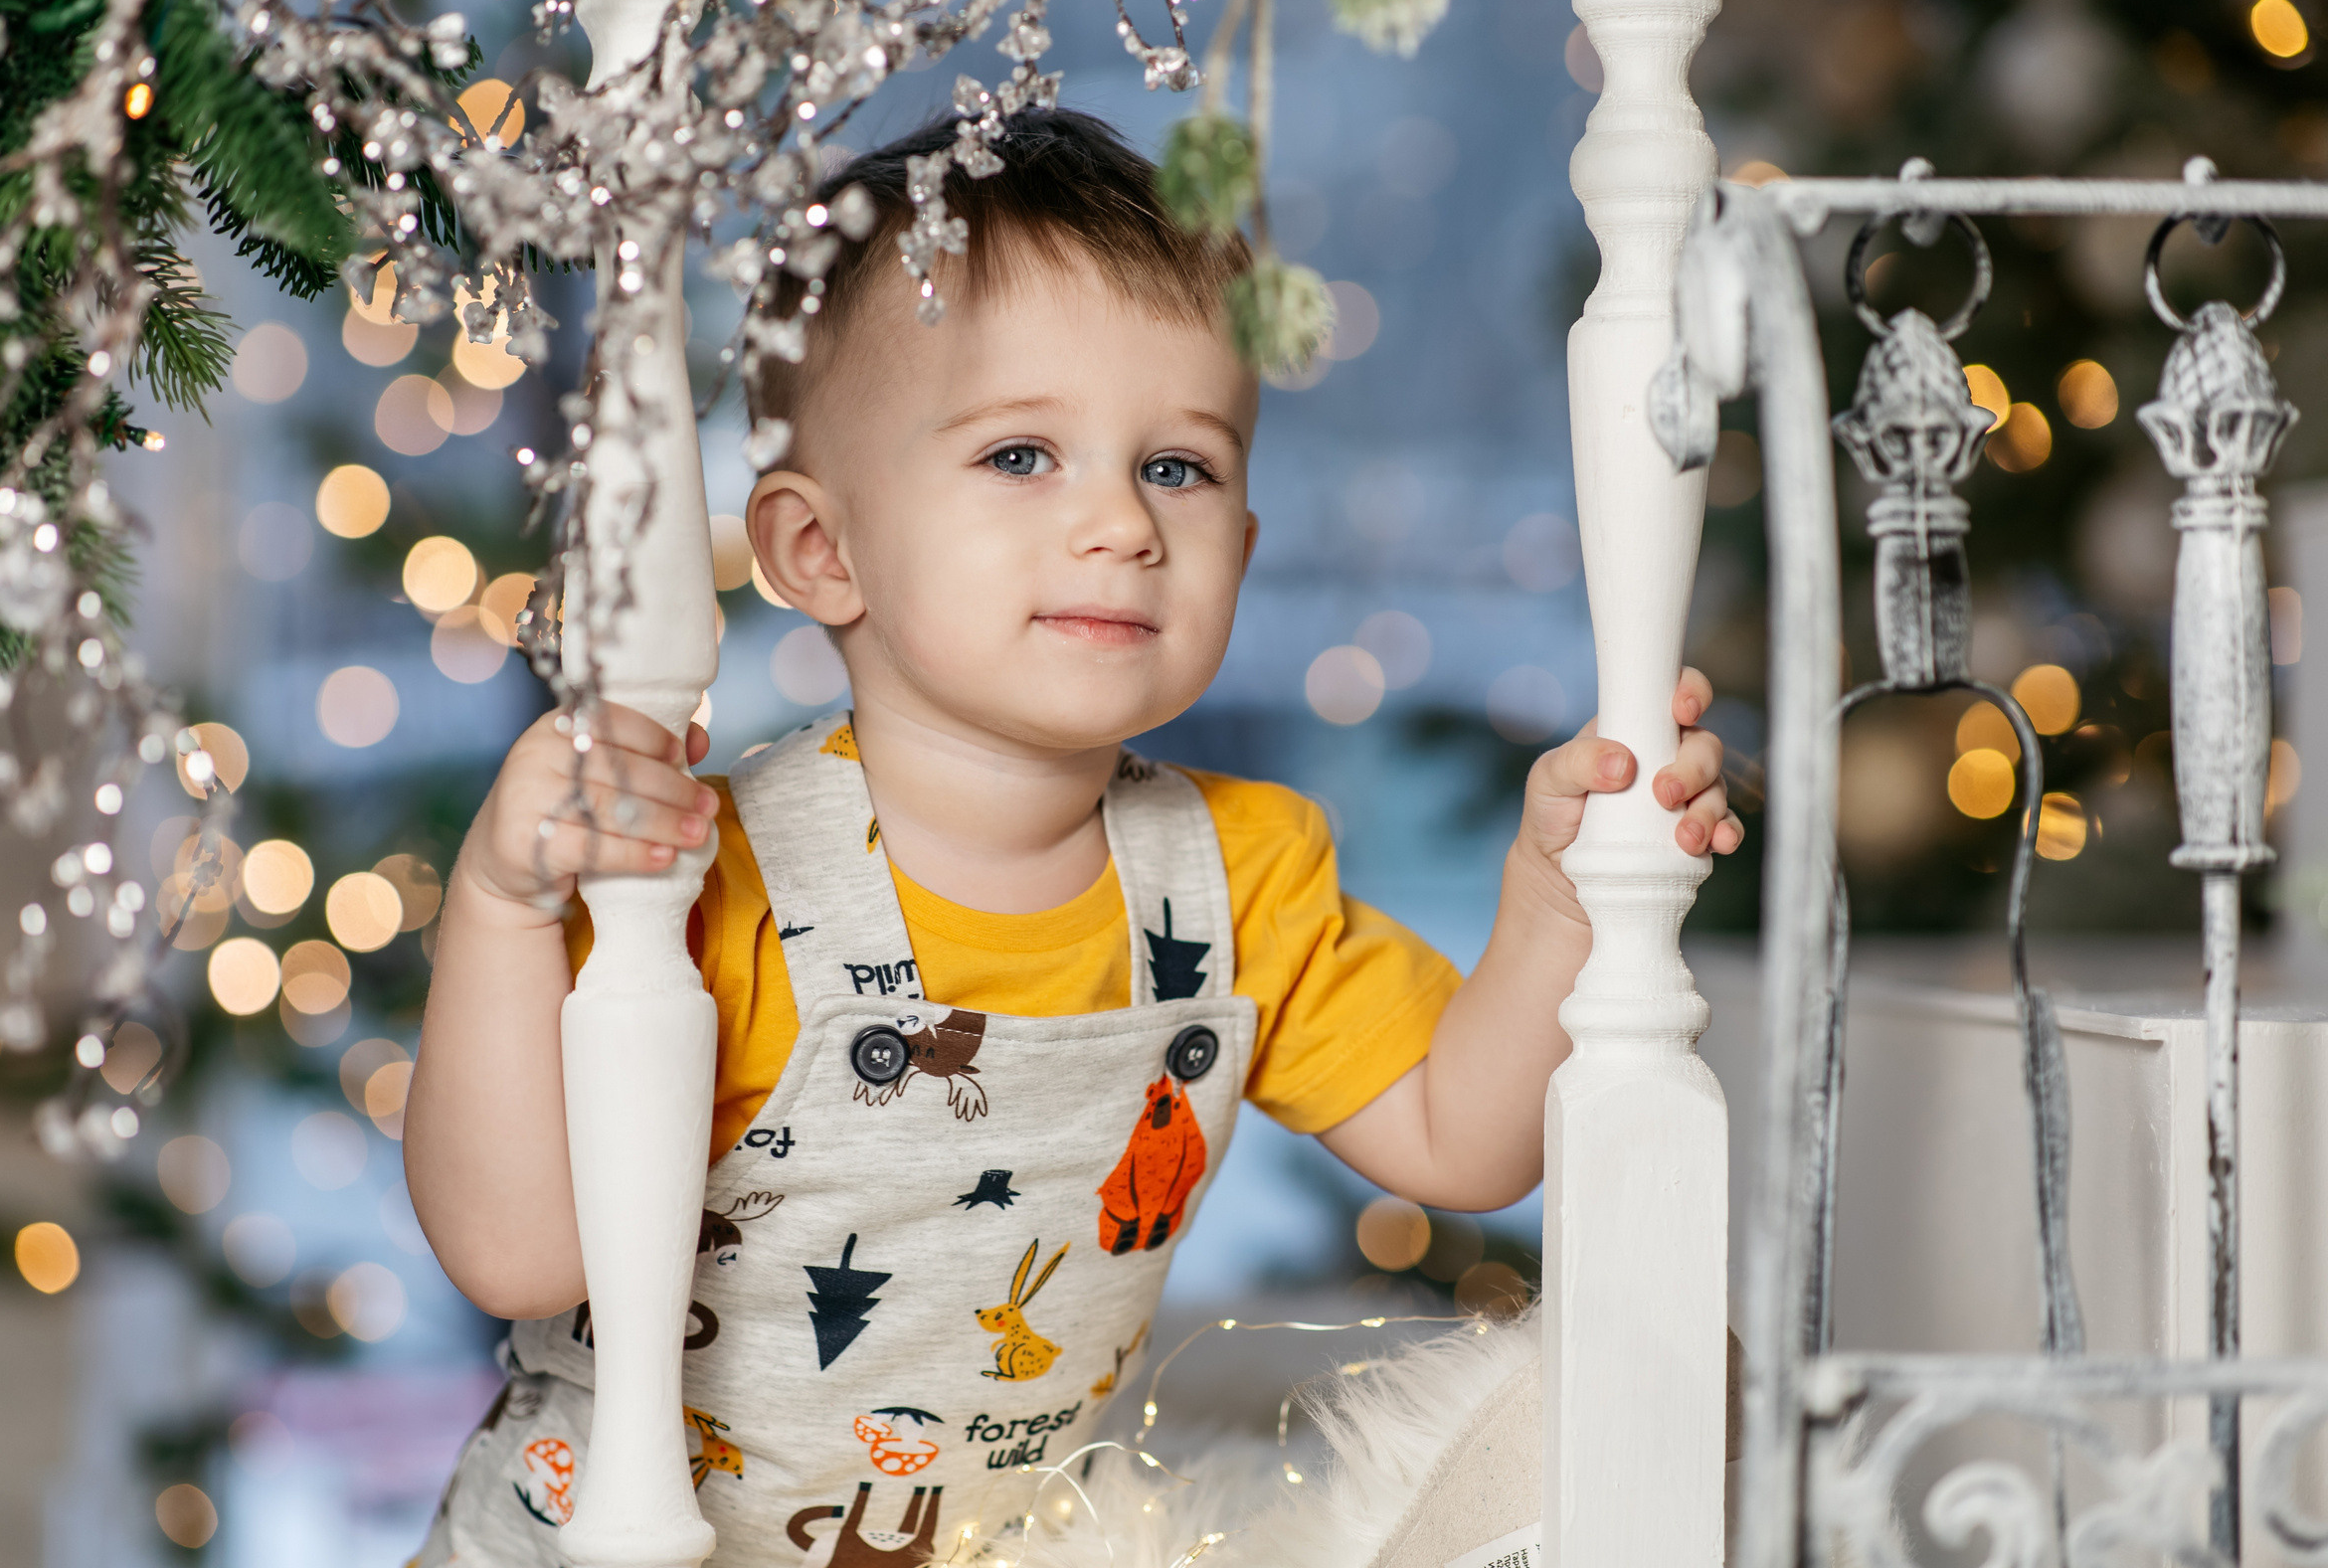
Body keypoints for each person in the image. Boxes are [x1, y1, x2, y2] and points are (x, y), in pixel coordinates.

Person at [404, 107, 1741, 1568]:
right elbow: (513, 1250)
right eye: (1024, 454)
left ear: (1241, 544)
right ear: (817, 550)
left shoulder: (1238, 875)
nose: (1120, 521)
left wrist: (1556, 902)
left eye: (1179, 467)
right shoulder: (710, 874)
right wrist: (499, 908)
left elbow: (1461, 1140)